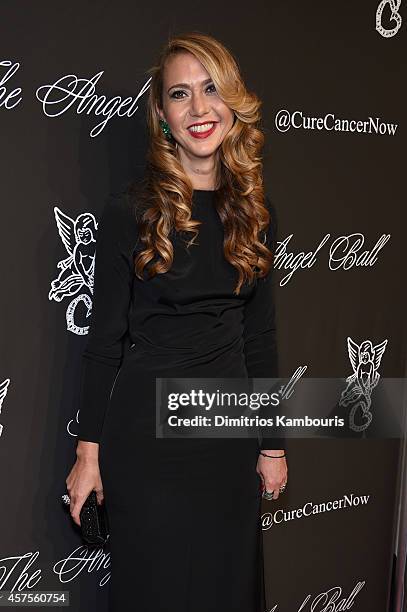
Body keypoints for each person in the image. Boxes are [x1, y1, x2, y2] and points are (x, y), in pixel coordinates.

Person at [65, 31, 288, 612]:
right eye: (179, 94)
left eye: (211, 89)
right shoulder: (130, 212)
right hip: (147, 448)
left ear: (232, 103)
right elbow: (104, 344)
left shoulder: (254, 213)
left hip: (226, 440)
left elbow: (260, 339)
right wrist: (88, 457)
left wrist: (272, 446)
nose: (198, 109)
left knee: (225, 591)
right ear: (161, 115)